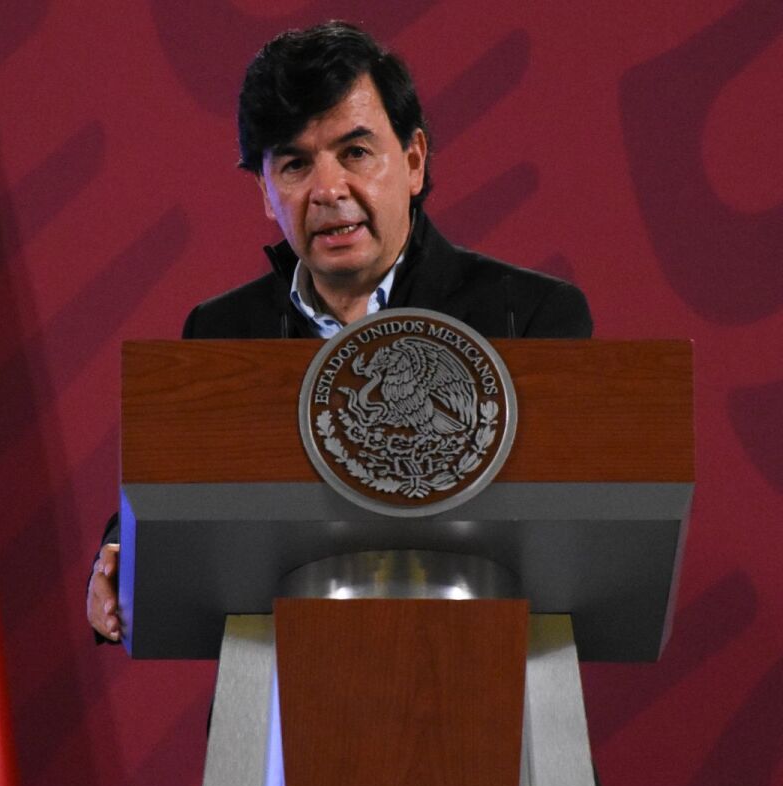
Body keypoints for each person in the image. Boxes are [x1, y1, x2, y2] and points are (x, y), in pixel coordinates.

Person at [86, 21, 593, 643]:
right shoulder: (223, 333)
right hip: (282, 691)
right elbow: (178, 500)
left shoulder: (529, 317)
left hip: (481, 677)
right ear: (266, 193)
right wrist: (120, 550)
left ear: (412, 161)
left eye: (355, 153)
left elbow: (575, 534)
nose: (328, 191)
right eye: (296, 164)